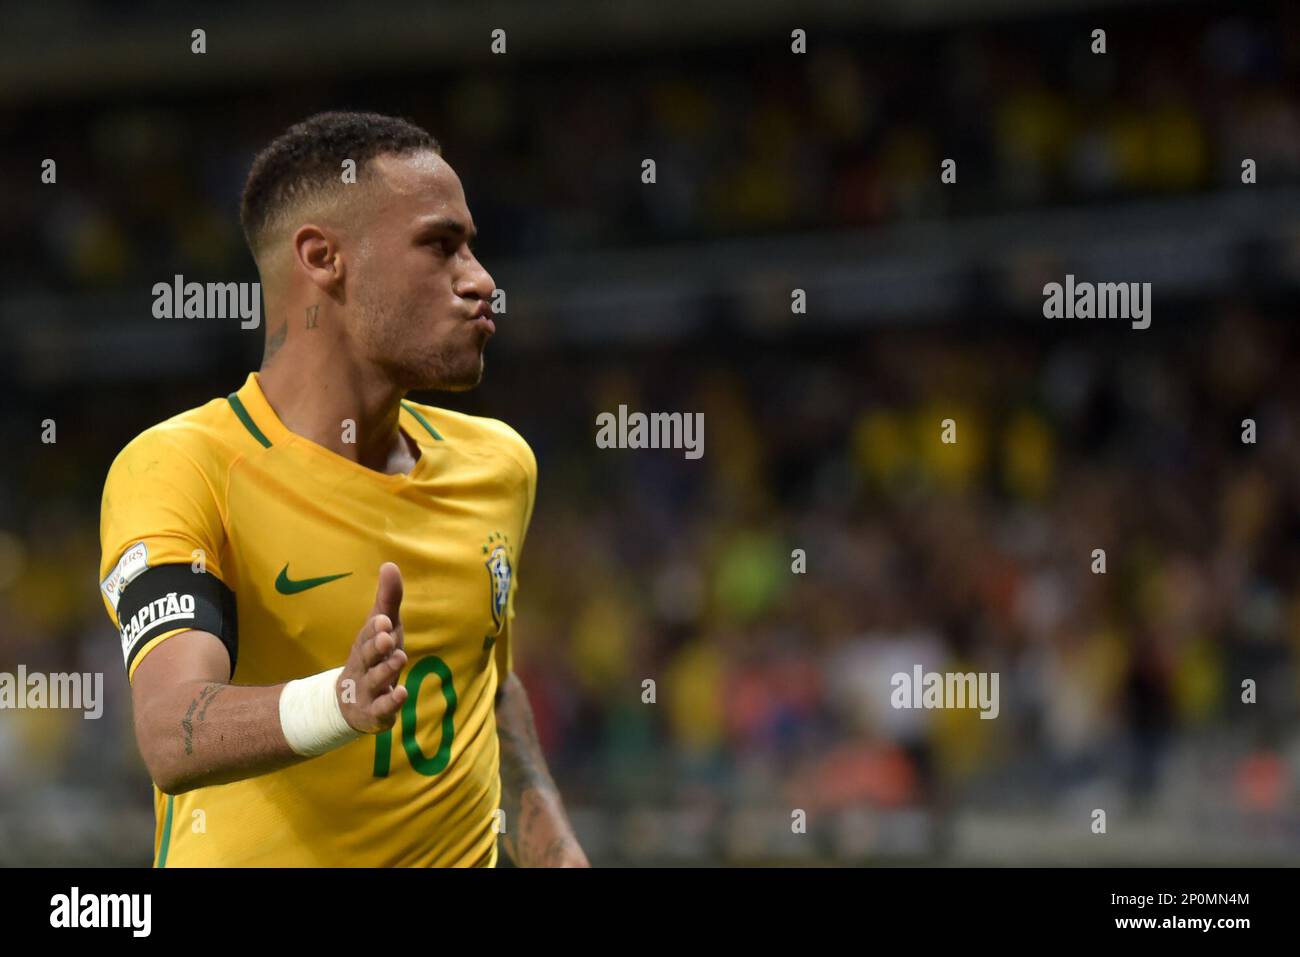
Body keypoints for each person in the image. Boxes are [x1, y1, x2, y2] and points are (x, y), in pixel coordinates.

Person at [97, 111, 588, 867]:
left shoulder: (499, 464)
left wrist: (558, 857)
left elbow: (487, 686)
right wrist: (340, 701)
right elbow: (171, 729)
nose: (482, 280)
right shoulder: (181, 467)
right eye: (441, 245)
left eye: (473, 246)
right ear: (324, 258)